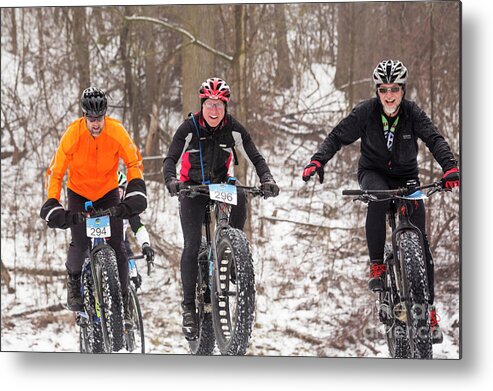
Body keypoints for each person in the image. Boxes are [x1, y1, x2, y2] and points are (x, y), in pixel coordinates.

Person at [302, 60, 460, 344]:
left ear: (403, 90)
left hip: (407, 176)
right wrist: (317, 161)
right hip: (373, 173)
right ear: (377, 90)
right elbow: (338, 136)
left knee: (421, 245)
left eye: (395, 89)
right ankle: (377, 264)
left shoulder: (413, 113)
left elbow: (434, 139)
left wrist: (449, 167)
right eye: (384, 89)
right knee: (377, 197)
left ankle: (429, 310)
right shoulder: (366, 111)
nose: (389, 95)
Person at [163, 77, 280, 340]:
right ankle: (189, 309)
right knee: (192, 245)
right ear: (202, 104)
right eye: (209, 104)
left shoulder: (234, 128)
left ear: (225, 106)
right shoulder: (189, 128)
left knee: (240, 195)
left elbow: (255, 156)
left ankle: (233, 253)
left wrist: (267, 179)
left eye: (219, 105)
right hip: (192, 188)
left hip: (220, 183)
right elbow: (170, 158)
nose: (214, 110)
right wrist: (171, 181)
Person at [40, 87, 147, 325]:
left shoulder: (117, 131)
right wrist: (53, 202)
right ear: (84, 116)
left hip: (108, 192)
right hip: (78, 193)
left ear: (104, 115)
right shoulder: (72, 134)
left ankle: (122, 302)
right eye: (91, 119)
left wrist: (136, 187)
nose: (95, 124)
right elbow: (56, 172)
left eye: (99, 119)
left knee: (118, 245)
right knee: (79, 243)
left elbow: (132, 161)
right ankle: (74, 285)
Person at [117, 171, 155, 286]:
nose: (116, 196)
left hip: (122, 243)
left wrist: (145, 245)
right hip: (101, 245)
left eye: (118, 192)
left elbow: (138, 227)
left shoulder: (126, 207)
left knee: (134, 278)